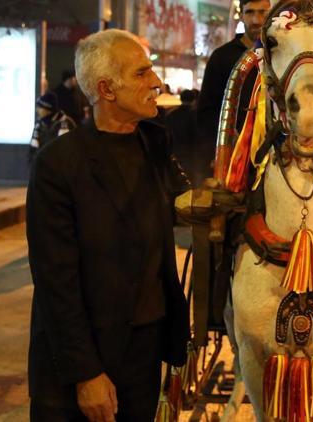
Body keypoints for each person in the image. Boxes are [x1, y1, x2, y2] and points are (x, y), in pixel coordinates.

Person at [26, 29, 191, 422]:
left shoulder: (155, 145)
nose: (157, 83)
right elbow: (56, 283)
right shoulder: (58, 165)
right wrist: (87, 375)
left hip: (144, 355)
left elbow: (185, 205)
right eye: (141, 73)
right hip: (85, 360)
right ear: (106, 89)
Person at [196, 0, 270, 181]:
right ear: (242, 15)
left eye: (263, 13)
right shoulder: (221, 57)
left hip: (275, 158)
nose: (256, 20)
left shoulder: (282, 55)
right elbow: (207, 111)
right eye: (250, 12)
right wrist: (217, 153)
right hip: (235, 161)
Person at [29, 92, 76, 165]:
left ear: (48, 109)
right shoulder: (39, 124)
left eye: (40, 107)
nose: (37, 110)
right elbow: (33, 150)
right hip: (42, 169)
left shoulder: (65, 123)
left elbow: (67, 152)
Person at [165, 89, 199, 183]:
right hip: (191, 153)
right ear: (194, 99)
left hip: (175, 152)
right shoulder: (195, 115)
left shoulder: (171, 114)